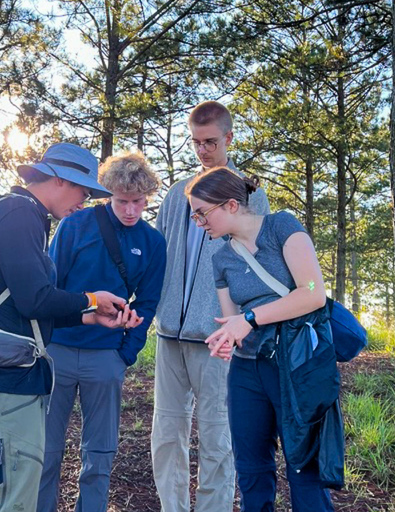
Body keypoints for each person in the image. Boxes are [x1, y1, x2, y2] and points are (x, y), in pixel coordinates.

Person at [0, 142, 143, 512]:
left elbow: (18, 305)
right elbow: (33, 299)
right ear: (58, 180)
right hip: (4, 390)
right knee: (9, 498)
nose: (84, 202)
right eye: (83, 191)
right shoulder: (19, 214)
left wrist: (86, 316)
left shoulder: (7, 211)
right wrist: (90, 299)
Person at [185, 167, 335, 512]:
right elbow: (230, 318)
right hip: (247, 370)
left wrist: (250, 319)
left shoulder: (282, 226)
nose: (198, 222)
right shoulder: (221, 258)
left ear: (232, 205)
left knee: (303, 463)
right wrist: (226, 338)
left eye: (202, 213)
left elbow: (312, 293)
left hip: (295, 364)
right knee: (251, 467)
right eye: (194, 215)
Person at [152, 100, 270, 512]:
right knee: (167, 435)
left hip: (220, 337)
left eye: (211, 142)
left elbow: (258, 266)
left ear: (229, 138)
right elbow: (158, 255)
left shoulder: (250, 196)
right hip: (169, 335)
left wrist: (244, 324)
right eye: (196, 143)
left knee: (218, 437)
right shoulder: (175, 195)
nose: (203, 151)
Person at [38, 152, 167, 511]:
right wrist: (47, 343)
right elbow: (51, 288)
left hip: (107, 355)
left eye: (138, 202)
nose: (130, 210)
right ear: (109, 194)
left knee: (100, 453)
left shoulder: (153, 243)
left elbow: (149, 301)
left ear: (147, 199)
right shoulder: (75, 226)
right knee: (46, 450)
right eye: (122, 201)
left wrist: (125, 353)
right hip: (58, 350)